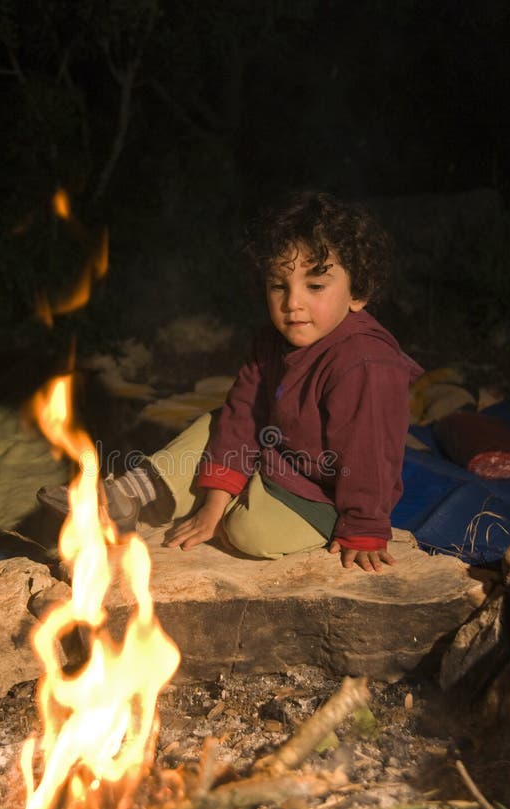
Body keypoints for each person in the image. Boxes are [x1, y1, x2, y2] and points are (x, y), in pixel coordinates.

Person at [39, 191, 423, 572]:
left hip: (322, 492)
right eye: (278, 285)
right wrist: (213, 504)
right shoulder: (269, 342)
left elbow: (370, 455)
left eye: (315, 286)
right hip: (270, 456)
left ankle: (218, 502)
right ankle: (126, 498)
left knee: (246, 533)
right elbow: (242, 417)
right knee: (216, 422)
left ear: (358, 292)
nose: (293, 303)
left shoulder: (364, 363)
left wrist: (365, 526)